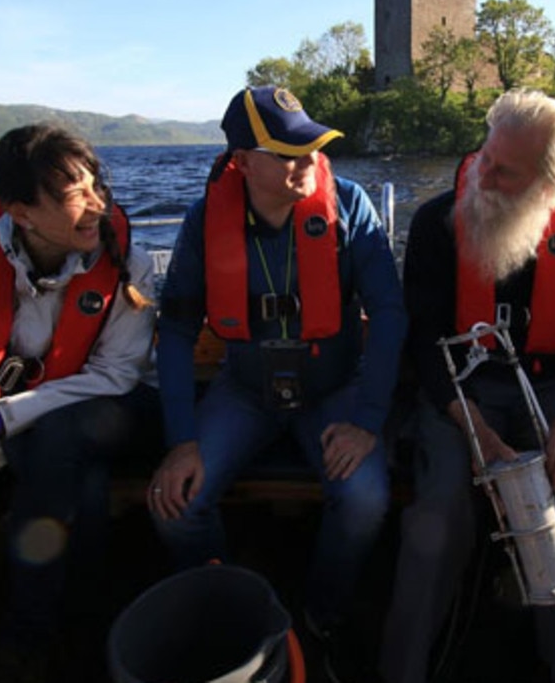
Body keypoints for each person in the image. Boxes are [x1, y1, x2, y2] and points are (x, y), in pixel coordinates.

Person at [147, 85, 406, 681]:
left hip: (333, 388)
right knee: (175, 506)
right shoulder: (203, 220)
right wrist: (182, 438)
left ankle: (322, 614)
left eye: (310, 148)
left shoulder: (350, 205)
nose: (306, 163)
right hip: (243, 392)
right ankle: (231, 611)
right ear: (242, 162)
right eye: (287, 153)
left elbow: (389, 314)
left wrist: (368, 421)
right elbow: (179, 331)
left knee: (366, 499)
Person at [380, 89, 555, 683]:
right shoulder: (440, 221)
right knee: (438, 516)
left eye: (505, 170)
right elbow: (425, 339)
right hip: (462, 388)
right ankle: (403, 669)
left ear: (548, 183)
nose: (483, 175)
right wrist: (474, 427)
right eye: (485, 156)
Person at [0, 124, 162, 680]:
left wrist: (1, 418)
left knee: (58, 440)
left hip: (125, 410)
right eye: (75, 194)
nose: (97, 203)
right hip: (42, 432)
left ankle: (26, 638)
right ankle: (84, 630)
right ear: (22, 213)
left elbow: (116, 376)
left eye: (96, 184)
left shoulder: (130, 264)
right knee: (84, 483)